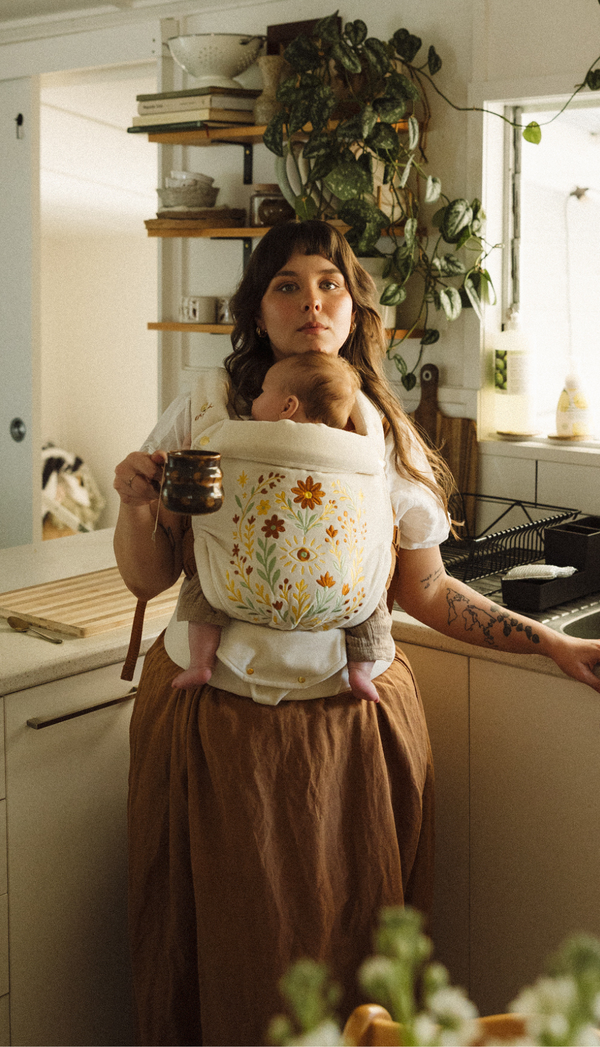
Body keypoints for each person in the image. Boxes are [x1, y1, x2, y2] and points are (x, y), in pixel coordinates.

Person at [114, 220, 600, 1047]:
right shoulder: (206, 408)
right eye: (287, 285)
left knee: (347, 952)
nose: (312, 301)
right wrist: (134, 501)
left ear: (355, 308)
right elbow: (147, 578)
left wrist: (550, 642)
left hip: (342, 732)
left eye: (330, 283)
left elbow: (430, 591)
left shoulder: (384, 429)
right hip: (212, 726)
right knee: (215, 949)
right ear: (257, 311)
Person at [172, 351, 391, 702]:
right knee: (372, 594)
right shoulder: (366, 452)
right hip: (341, 595)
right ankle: (361, 671)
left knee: (203, 581)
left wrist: (197, 443)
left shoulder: (234, 437)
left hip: (237, 586)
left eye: (261, 393)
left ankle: (201, 661)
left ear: (287, 406)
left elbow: (206, 443)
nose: (255, 400)